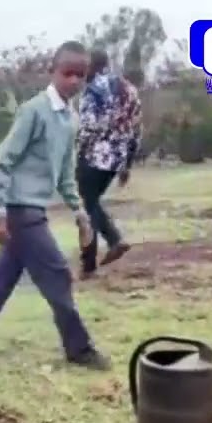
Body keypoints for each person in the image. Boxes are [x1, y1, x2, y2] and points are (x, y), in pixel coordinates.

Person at [0, 41, 110, 371]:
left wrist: (80, 213)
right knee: (57, 274)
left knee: (0, 279)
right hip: (20, 212)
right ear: (53, 71)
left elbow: (65, 175)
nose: (75, 81)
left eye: (82, 76)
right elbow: (0, 163)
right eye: (68, 73)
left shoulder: (70, 120)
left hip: (34, 210)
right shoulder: (34, 111)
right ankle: (79, 349)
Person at [76, 49, 140, 278]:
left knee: (86, 205)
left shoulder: (92, 90)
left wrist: (77, 151)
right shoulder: (129, 89)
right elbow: (135, 129)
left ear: (92, 66)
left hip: (94, 155)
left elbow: (87, 127)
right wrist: (127, 164)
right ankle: (91, 260)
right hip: (117, 157)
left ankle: (109, 244)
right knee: (91, 204)